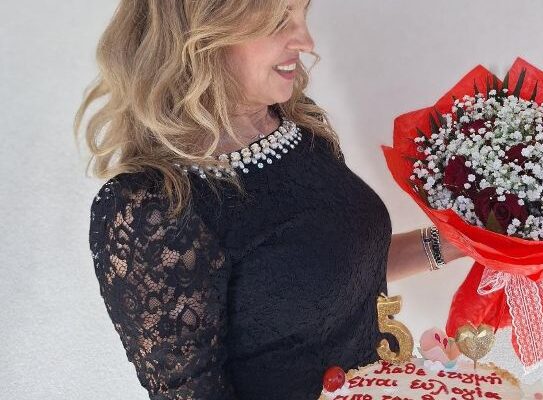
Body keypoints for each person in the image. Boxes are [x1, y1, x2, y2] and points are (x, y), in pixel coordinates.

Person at [75, 0, 466, 398]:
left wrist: (463, 242)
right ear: (202, 32)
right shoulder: (150, 208)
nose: (307, 42)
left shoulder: (301, 128)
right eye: (279, 20)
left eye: (301, 16)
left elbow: (339, 267)